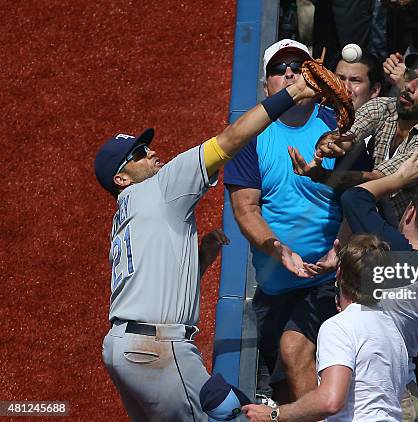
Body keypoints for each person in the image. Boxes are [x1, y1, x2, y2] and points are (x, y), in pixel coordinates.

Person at [94, 68, 316, 421]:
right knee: (234, 412)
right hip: (158, 349)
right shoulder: (159, 187)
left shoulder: (125, 216)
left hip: (122, 350)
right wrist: (294, 92)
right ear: (121, 178)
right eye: (138, 153)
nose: (151, 153)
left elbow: (151, 284)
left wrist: (197, 262)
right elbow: (230, 139)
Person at [224, 39, 342, 402]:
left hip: (332, 279)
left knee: (295, 353)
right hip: (274, 285)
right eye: (279, 68)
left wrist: (343, 248)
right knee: (278, 385)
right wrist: (279, 250)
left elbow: (358, 197)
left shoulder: (336, 125)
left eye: (297, 66)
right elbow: (246, 209)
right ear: (266, 86)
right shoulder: (250, 136)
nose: (289, 73)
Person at [341, 154, 418, 422]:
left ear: (410, 213)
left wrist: (397, 179)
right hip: (399, 392)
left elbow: (354, 198)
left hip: (386, 399)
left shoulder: (401, 256)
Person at [242, 234, 411, 422]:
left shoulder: (340, 326)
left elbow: (330, 401)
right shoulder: (394, 332)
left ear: (338, 274)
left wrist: (275, 414)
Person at [293, 53, 418, 225]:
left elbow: (378, 179)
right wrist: (332, 144)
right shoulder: (381, 107)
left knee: (355, 198)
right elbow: (347, 135)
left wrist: (321, 175)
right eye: (410, 75)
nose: (409, 86)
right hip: (390, 221)